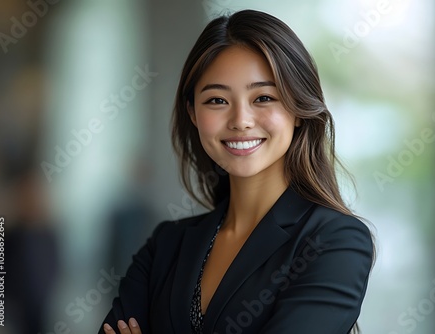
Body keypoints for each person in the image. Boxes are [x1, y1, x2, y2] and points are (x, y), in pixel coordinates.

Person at [100, 9, 374, 334]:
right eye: (217, 100)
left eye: (263, 97)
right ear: (192, 112)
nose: (241, 120)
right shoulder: (166, 245)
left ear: (298, 109)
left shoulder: (334, 241)